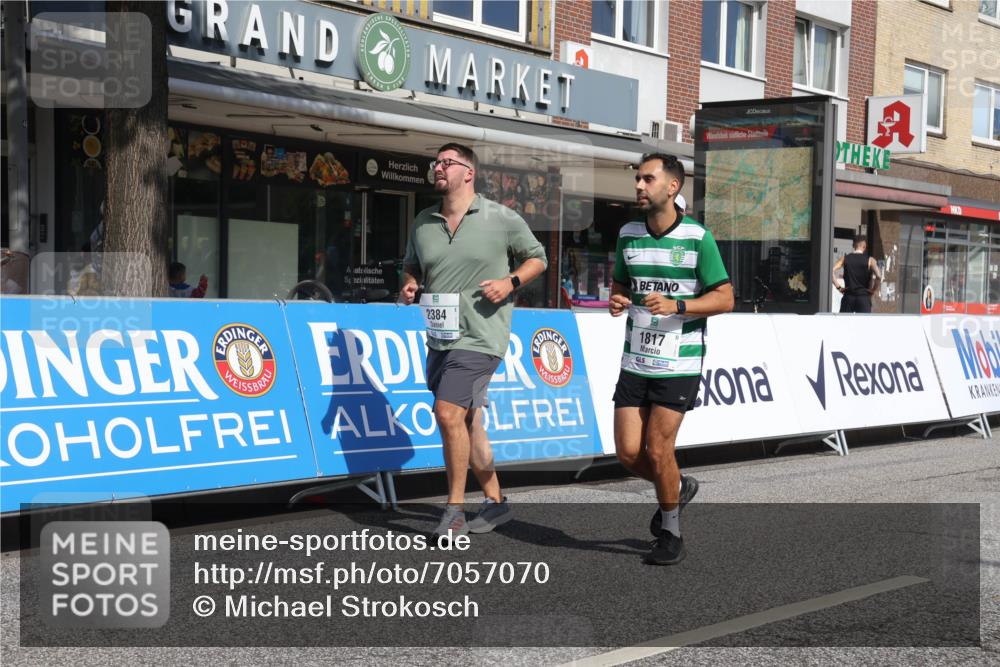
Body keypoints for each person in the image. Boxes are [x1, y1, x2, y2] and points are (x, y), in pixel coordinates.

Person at [400, 143, 547, 537]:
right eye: (436, 162)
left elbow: (538, 257)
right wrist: (411, 284)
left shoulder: (501, 217)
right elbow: (411, 266)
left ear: (469, 172)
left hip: (482, 336)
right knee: (469, 420)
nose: (438, 168)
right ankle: (497, 503)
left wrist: (509, 282)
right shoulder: (423, 221)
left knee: (447, 413)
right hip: (440, 336)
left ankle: (454, 511)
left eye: (447, 162)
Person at [609, 153, 734, 566]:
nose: (639, 187)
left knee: (659, 449)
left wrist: (678, 304)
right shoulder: (628, 233)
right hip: (635, 359)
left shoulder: (698, 238)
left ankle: (671, 530)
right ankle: (678, 486)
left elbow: (725, 298)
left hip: (679, 361)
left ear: (672, 187)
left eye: (648, 180)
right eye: (638, 180)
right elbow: (621, 283)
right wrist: (618, 299)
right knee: (628, 453)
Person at [832, 234, 882, 313]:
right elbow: (879, 276)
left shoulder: (845, 258)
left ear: (853, 245)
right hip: (863, 298)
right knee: (863, 324)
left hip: (848, 297)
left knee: (843, 323)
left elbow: (831, 271)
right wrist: (873, 290)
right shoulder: (870, 260)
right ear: (864, 246)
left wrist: (839, 288)